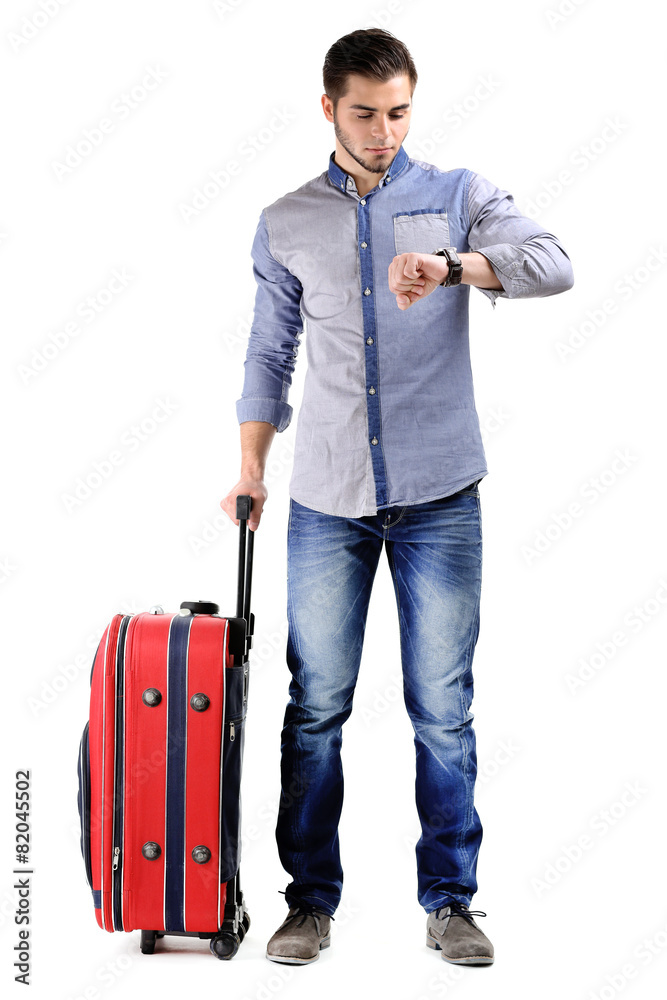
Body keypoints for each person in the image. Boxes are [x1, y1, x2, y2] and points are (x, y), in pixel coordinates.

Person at [221, 27, 573, 967]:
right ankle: (308, 903)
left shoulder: (458, 197)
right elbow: (268, 353)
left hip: (439, 493)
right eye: (366, 113)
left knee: (441, 706)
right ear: (328, 105)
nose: (383, 131)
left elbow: (554, 262)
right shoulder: (284, 220)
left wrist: (456, 267)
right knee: (316, 705)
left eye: (399, 112)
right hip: (326, 498)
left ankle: (450, 901)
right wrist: (251, 468)